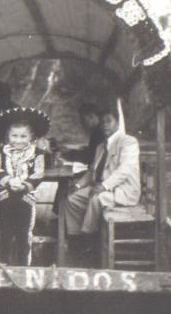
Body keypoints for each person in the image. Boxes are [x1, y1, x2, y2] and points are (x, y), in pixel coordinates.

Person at [58, 104, 141, 266]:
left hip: (123, 192)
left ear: (117, 123)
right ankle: (76, 239)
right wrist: (76, 186)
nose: (104, 125)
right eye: (102, 122)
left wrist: (104, 186)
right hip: (101, 188)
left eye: (108, 121)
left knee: (96, 199)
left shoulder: (129, 142)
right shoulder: (101, 147)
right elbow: (91, 173)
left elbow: (125, 170)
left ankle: (89, 242)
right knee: (72, 199)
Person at [0, 108, 50, 265]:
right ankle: (3, 265)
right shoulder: (1, 152)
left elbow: (38, 173)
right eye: (14, 136)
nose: (18, 140)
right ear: (8, 136)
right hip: (5, 197)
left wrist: (24, 185)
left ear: (31, 137)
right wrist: (9, 181)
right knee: (5, 234)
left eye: (23, 136)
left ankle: (23, 267)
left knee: (24, 234)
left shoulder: (37, 153)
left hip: (26, 198)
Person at [59, 102, 105, 168]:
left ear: (91, 116)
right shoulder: (97, 132)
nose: (81, 122)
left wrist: (66, 154)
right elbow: (90, 152)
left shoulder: (99, 134)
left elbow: (89, 157)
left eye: (83, 119)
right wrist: (70, 151)